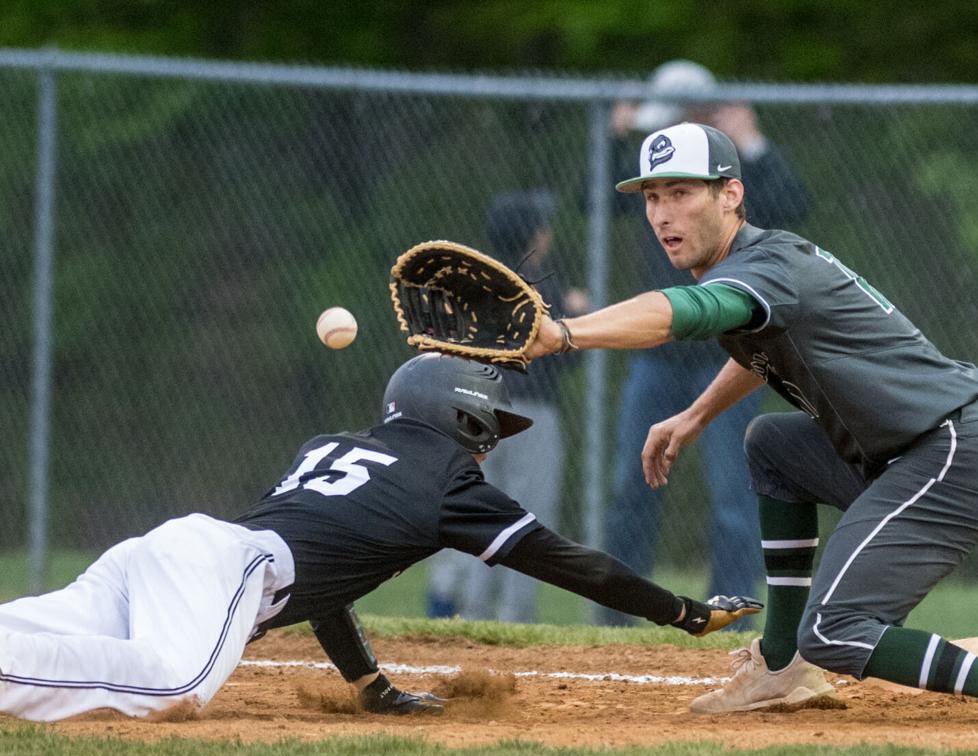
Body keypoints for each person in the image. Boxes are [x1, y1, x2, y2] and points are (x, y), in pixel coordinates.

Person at [525, 122, 978, 727]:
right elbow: (760, 347)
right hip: (899, 457)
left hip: (948, 459)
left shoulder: (764, 268)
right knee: (772, 443)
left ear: (731, 195)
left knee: (834, 630)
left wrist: (564, 334)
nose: (663, 213)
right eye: (652, 197)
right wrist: (695, 415)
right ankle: (781, 667)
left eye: (682, 192)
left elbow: (683, 314)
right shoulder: (756, 266)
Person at [0, 353, 758, 722]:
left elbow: (331, 577)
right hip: (230, 566)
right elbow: (571, 563)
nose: (489, 447)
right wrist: (681, 612)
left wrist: (369, 684)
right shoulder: (447, 483)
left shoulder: (334, 444)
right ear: (461, 421)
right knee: (173, 687)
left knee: (55, 620)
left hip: (174, 547)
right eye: (487, 429)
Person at [597, 59, 809, 626]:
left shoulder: (727, 179)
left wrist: (754, 144)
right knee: (631, 491)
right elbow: (592, 203)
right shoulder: (656, 174)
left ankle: (730, 611)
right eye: (655, 198)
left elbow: (794, 204)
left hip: (731, 358)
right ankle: (617, 614)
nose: (664, 211)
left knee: (736, 498)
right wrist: (617, 138)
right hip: (657, 359)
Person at [425, 190, 589, 623]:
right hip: (532, 415)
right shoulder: (543, 288)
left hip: (470, 412)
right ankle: (514, 615)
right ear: (533, 235)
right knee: (527, 517)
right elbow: (568, 358)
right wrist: (577, 312)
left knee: (469, 509)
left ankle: (462, 608)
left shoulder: (471, 283)